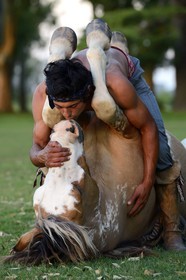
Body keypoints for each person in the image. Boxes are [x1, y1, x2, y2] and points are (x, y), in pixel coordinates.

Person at [30, 19, 185, 251]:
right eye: (60, 107)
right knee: (56, 144)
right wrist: (44, 156)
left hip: (120, 73)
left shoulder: (117, 85)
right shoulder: (46, 94)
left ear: (87, 95)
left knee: (162, 151)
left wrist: (147, 180)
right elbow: (36, 147)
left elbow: (148, 128)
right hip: (83, 85)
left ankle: (173, 231)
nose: (65, 113)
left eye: (71, 107)